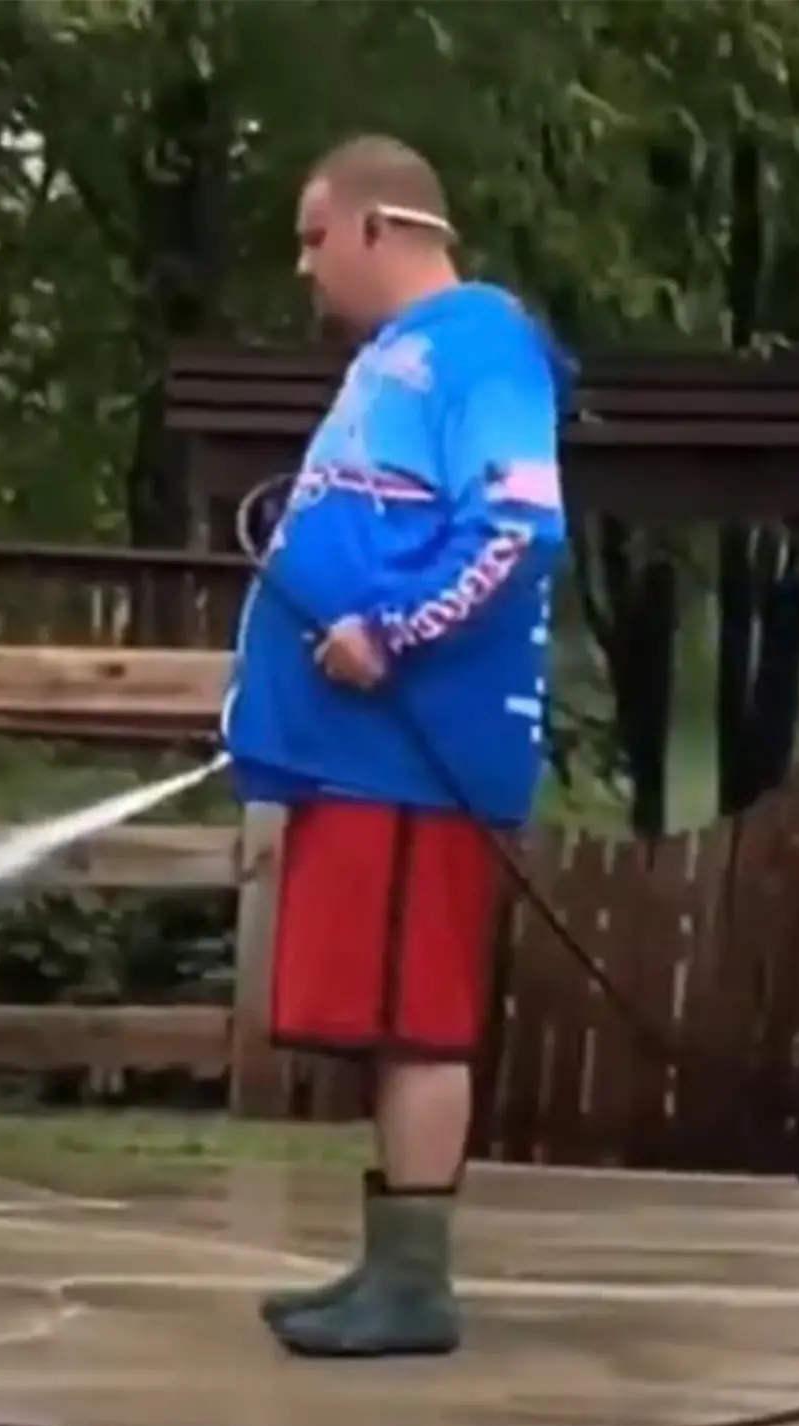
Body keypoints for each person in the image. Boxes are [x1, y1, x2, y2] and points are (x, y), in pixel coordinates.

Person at [222, 134, 574, 1359]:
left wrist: (393, 630)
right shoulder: (400, 358)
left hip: (418, 752)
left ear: (382, 227)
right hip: (358, 754)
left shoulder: (482, 345)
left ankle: (416, 1289)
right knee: (380, 1013)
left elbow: (521, 526)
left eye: (316, 237)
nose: (306, 268)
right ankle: (386, 1267)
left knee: (419, 1014)